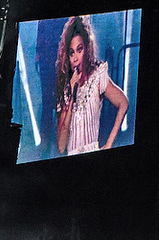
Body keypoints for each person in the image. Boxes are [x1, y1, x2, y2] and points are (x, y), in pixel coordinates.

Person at [55, 15, 129, 156]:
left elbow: (123, 103)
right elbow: (61, 146)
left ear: (87, 49)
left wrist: (109, 144)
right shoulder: (65, 89)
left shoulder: (97, 77)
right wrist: (71, 97)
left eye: (79, 49)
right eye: (71, 53)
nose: (75, 58)